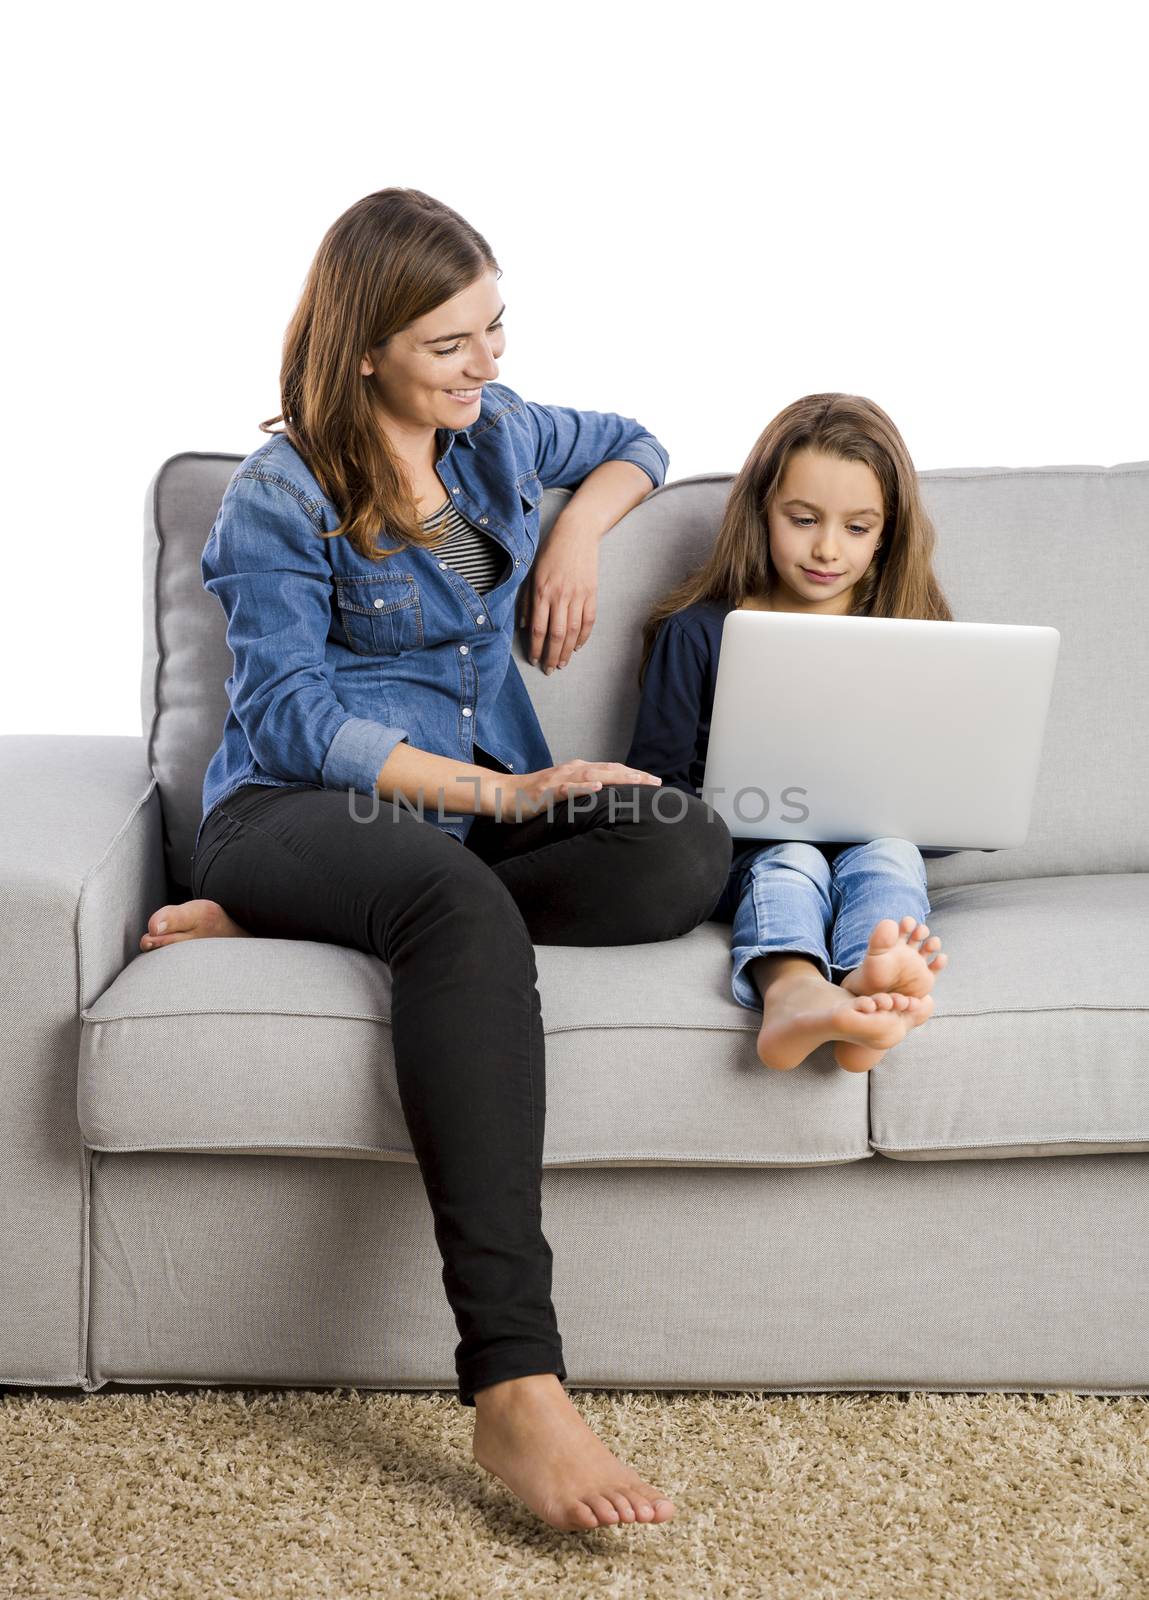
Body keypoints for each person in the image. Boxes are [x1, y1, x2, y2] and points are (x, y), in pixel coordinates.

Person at [138, 187, 734, 1532]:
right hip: (299, 809)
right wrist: (508, 791)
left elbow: (635, 441)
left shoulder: (501, 434)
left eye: (494, 327)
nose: (488, 362)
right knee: (457, 904)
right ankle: (515, 1384)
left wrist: (576, 528)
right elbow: (289, 712)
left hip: (461, 828)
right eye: (449, 343)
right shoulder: (277, 496)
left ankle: (328, 923)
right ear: (363, 348)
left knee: (681, 842)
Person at [625, 393, 956, 1075]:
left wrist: (919, 808)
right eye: (802, 519)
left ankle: (874, 978)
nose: (827, 548)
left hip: (872, 850)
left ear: (887, 532)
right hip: (749, 860)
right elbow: (657, 799)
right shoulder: (697, 633)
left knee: (891, 852)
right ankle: (791, 993)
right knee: (794, 857)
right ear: (760, 513)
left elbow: (945, 815)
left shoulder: (915, 636)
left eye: (857, 528)